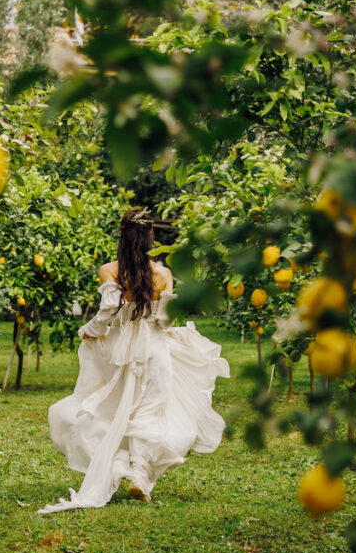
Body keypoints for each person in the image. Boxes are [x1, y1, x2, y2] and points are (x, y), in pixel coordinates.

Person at [39, 207, 230, 514]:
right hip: (154, 350)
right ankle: (139, 474)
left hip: (119, 351)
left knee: (112, 411)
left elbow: (106, 314)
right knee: (150, 411)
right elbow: (164, 322)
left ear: (122, 236)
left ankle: (116, 466)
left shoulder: (110, 270)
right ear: (150, 238)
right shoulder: (164, 274)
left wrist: (87, 332)